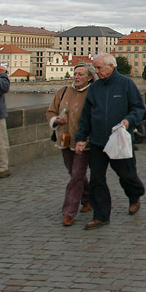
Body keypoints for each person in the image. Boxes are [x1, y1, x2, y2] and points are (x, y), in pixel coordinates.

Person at [75, 54, 146, 230]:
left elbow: (139, 109)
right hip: (98, 141)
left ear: (110, 67)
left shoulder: (126, 84)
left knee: (127, 176)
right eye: (95, 68)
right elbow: (86, 115)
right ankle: (101, 215)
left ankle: (134, 195)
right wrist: (81, 138)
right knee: (97, 179)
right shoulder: (95, 87)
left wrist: (129, 120)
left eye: (99, 68)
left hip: (120, 140)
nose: (96, 71)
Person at [47, 63, 96, 226]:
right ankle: (87, 199)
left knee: (76, 175)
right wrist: (56, 120)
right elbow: (51, 111)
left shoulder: (93, 93)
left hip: (83, 141)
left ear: (89, 77)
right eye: (75, 74)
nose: (77, 77)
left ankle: (68, 212)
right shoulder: (63, 92)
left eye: (81, 74)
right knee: (74, 173)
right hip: (64, 139)